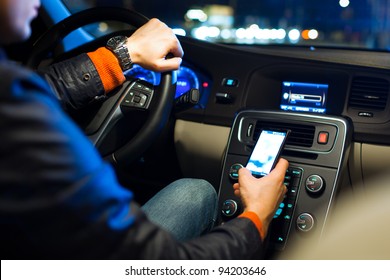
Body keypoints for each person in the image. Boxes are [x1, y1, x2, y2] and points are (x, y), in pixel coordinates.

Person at [0, 0, 288, 259]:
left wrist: (122, 56)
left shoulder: (13, 91)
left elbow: (46, 86)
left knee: (192, 191)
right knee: (197, 192)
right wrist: (256, 218)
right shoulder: (16, 107)